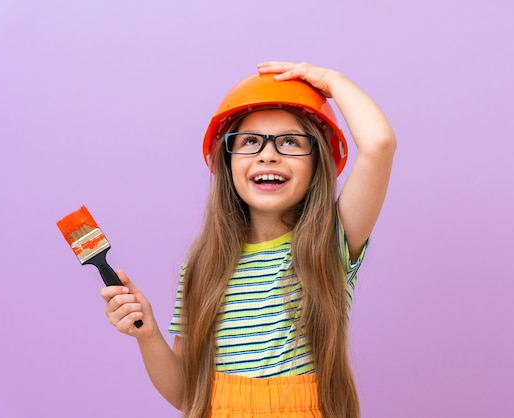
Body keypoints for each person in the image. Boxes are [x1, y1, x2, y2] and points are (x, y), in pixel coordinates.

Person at [101, 61, 397, 418]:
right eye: (250, 142)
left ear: (319, 162)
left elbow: (379, 144)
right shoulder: (202, 266)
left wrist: (332, 81)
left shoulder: (329, 242)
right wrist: (147, 336)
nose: (268, 154)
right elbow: (186, 394)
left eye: (290, 141)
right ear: (228, 163)